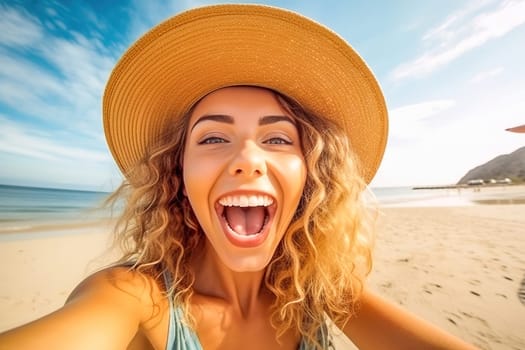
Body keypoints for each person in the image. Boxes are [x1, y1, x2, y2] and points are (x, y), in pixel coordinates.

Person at [0, 4, 478, 350]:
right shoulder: (130, 299)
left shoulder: (322, 292)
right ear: (177, 173)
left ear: (310, 176)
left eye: (277, 140)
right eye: (211, 139)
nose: (247, 160)